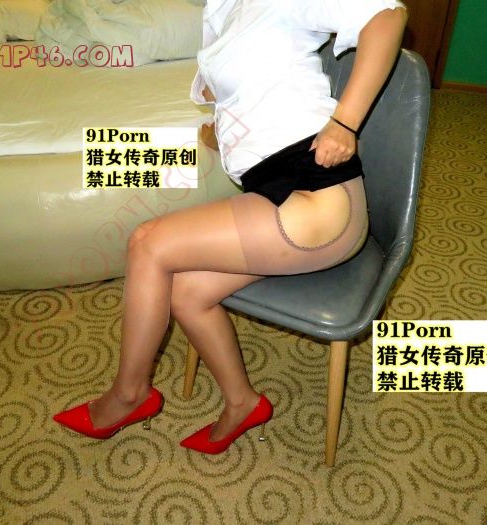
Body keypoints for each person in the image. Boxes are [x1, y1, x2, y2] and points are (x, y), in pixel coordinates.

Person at [53, 0, 408, 454]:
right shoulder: (222, 15)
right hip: (276, 194)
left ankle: (128, 394)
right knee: (187, 293)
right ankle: (243, 403)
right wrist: (219, 136)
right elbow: (255, 98)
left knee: (147, 243)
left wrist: (344, 123)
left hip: (319, 197)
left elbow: (388, 15)